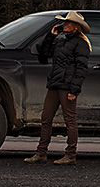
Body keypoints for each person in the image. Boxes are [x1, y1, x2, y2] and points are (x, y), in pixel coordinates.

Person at [24, 11, 91, 165]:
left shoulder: (81, 44)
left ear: (76, 27)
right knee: (46, 118)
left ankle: (70, 154)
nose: (64, 24)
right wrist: (51, 35)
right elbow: (43, 55)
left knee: (70, 120)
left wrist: (74, 90)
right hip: (54, 85)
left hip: (67, 87)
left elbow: (81, 68)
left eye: (68, 23)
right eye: (64, 22)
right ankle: (41, 153)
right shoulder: (60, 41)